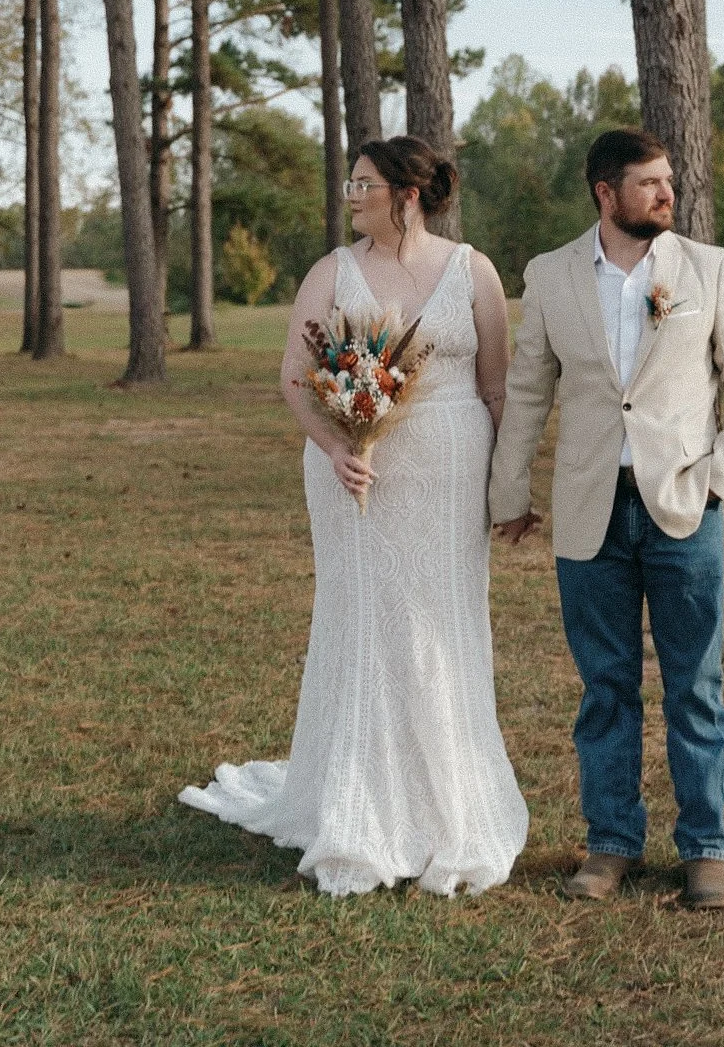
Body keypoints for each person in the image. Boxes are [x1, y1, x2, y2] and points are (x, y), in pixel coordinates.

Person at [180, 136, 528, 897]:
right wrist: (336, 445)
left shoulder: (472, 270)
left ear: (407, 195)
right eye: (350, 181)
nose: (350, 194)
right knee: (364, 617)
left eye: (364, 183)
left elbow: (496, 387)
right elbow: (295, 375)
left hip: (448, 471)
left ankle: (447, 806)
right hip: (352, 470)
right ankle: (359, 799)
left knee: (439, 620)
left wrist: (507, 486)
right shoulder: (331, 271)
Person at [489, 128, 724, 909]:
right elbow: (525, 393)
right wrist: (506, 493)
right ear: (603, 193)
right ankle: (609, 843)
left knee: (695, 685)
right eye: (647, 182)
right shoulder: (549, 275)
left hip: (684, 507)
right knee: (604, 688)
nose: (665, 194)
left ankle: (706, 848)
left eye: (667, 180)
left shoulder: (707, 268)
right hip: (590, 510)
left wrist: (719, 478)